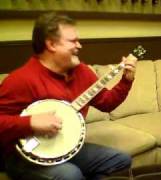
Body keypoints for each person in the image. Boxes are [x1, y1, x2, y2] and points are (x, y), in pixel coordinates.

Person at [0, 12, 137, 180]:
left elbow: (106, 103)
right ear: (51, 44)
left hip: (63, 147)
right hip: (24, 155)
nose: (79, 45)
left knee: (119, 160)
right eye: (73, 41)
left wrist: (126, 80)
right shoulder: (21, 80)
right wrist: (30, 122)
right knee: (70, 175)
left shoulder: (82, 72)